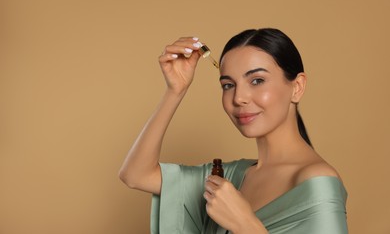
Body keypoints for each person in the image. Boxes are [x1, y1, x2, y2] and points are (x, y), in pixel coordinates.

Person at [119, 28, 348, 233]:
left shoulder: (317, 182)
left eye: (257, 80)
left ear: (297, 87)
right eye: (228, 85)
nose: (238, 98)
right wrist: (175, 90)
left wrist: (245, 225)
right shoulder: (230, 176)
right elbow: (136, 175)